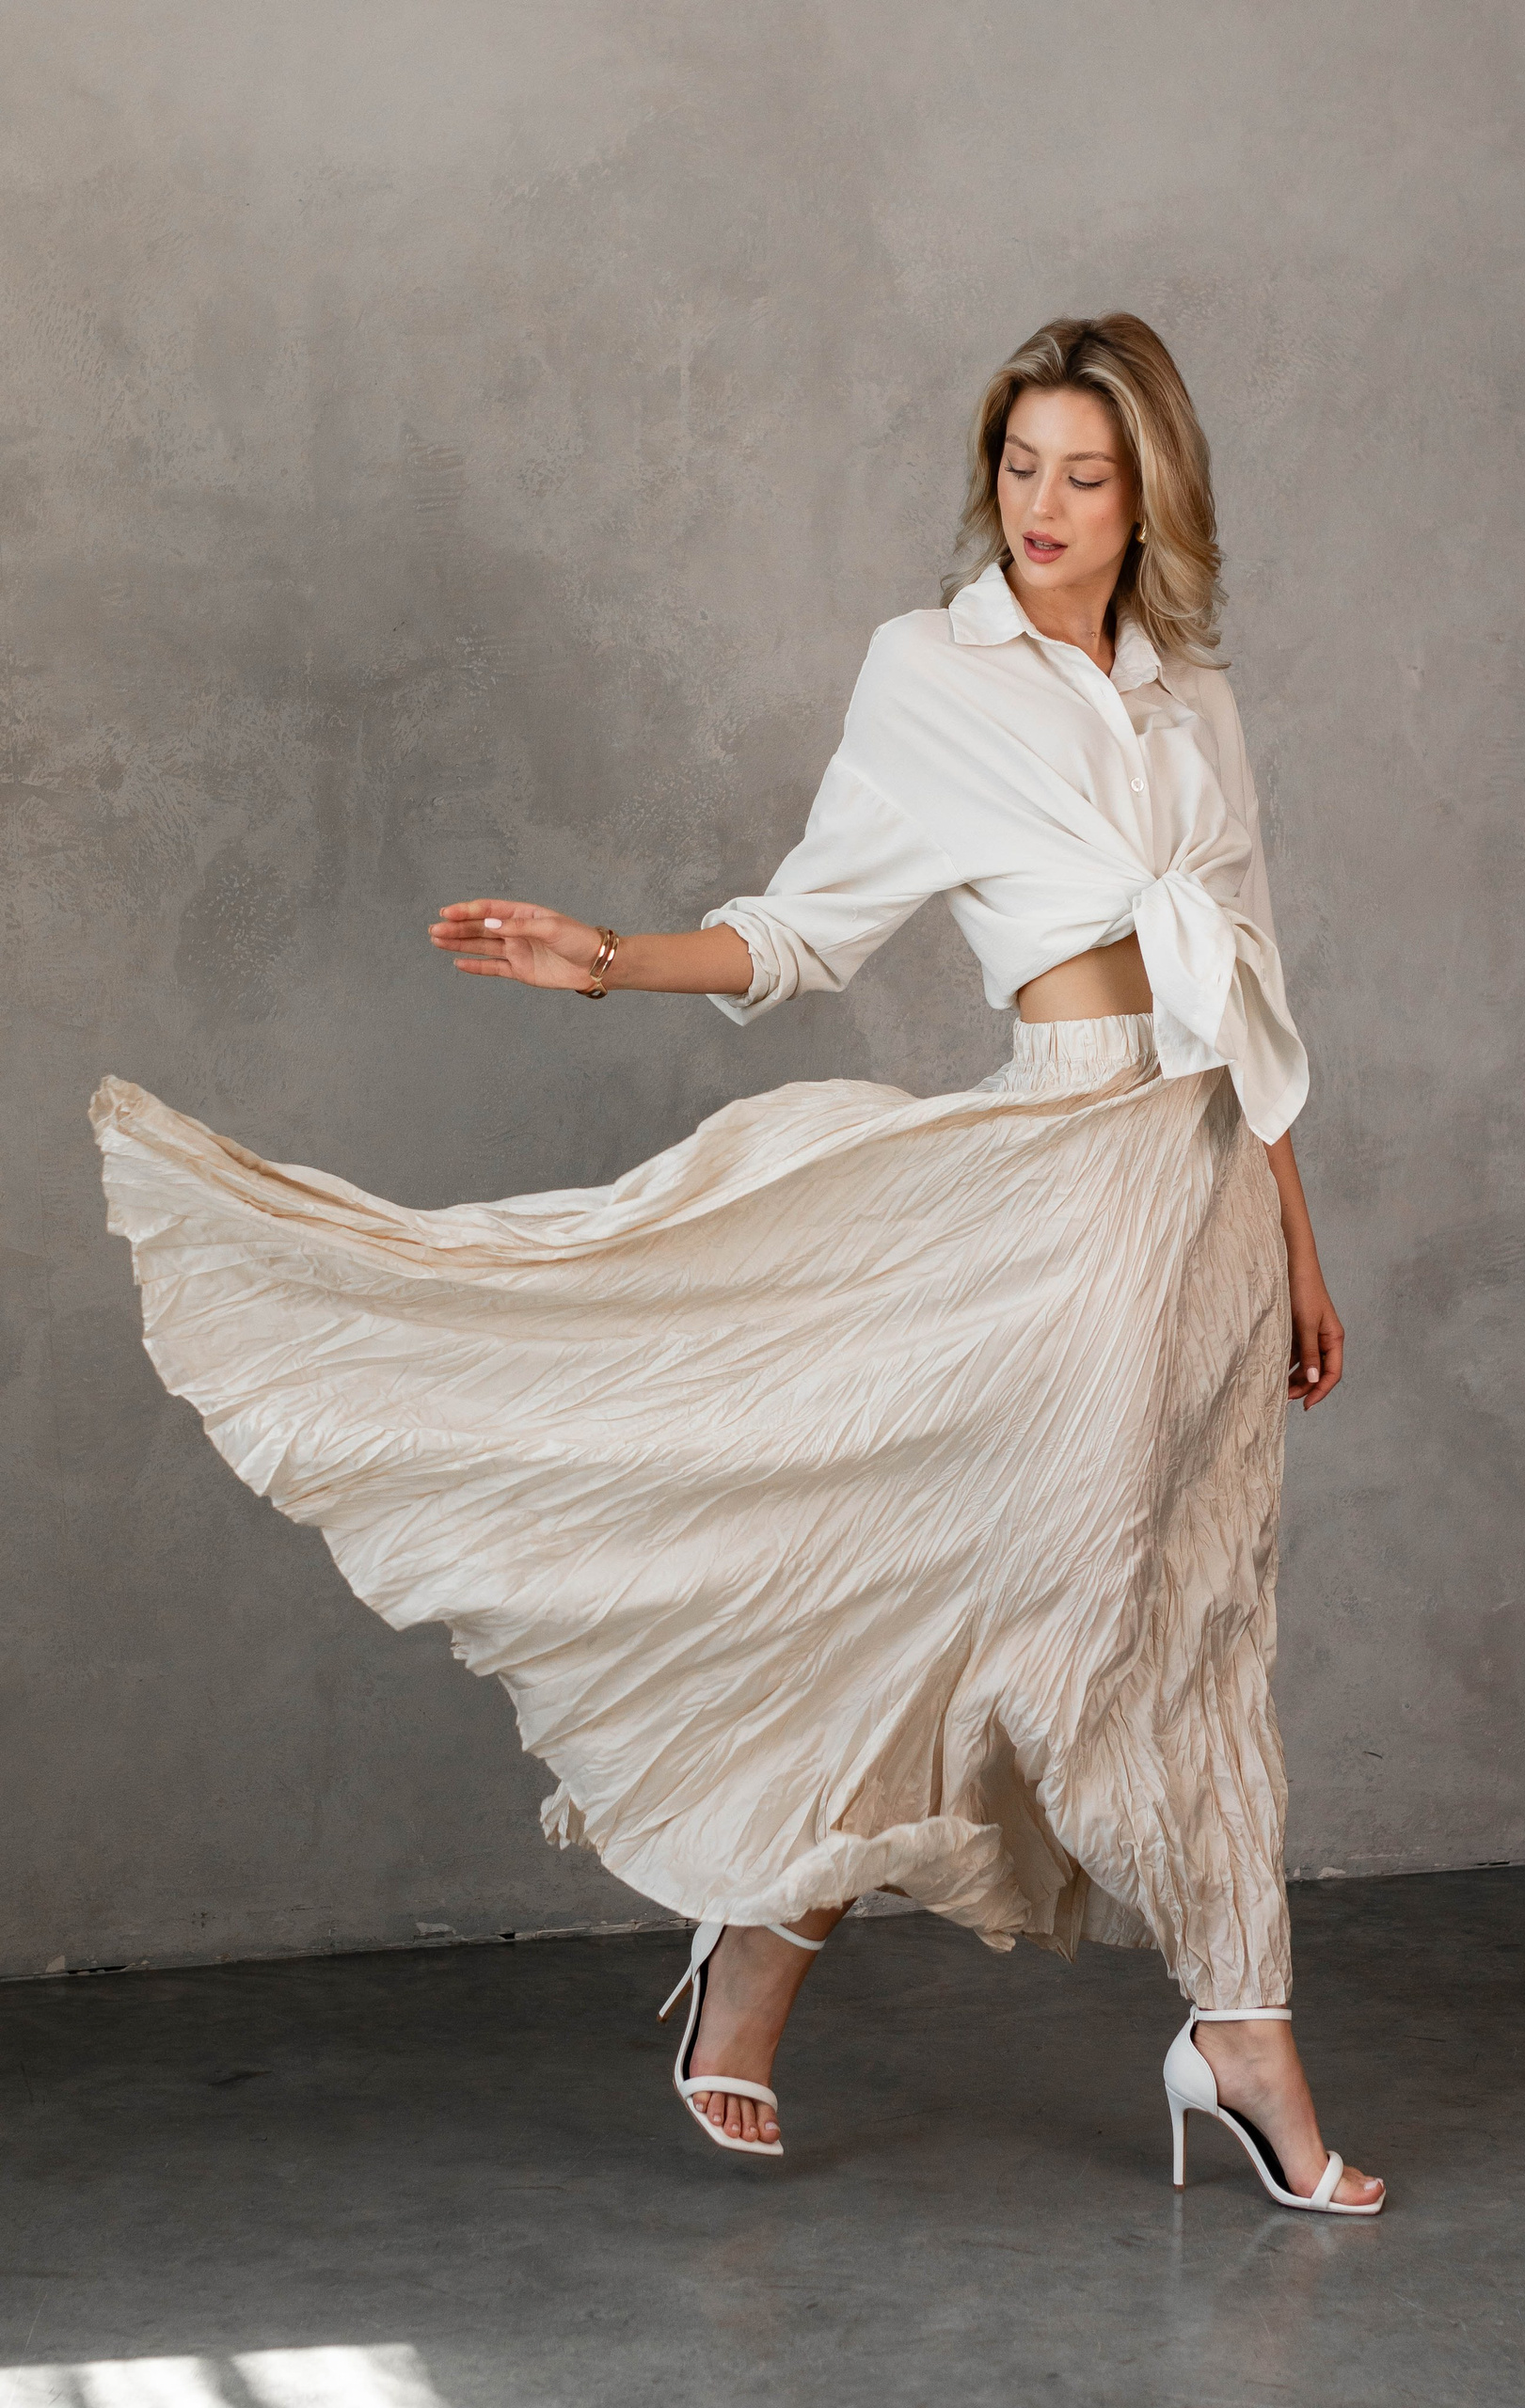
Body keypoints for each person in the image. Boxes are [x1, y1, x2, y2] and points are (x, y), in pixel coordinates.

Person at [93, 313, 1382, 2213]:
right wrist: (608, 957)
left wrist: (1299, 1240)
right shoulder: (933, 672)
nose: (1041, 504)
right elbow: (808, 927)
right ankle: (843, 1945)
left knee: (1195, 1616)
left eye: (1086, 475)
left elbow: (1250, 987)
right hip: (1061, 1190)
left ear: (1151, 497)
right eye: (1019, 464)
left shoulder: (1190, 693)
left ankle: (1205, 2019)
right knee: (1013, 1607)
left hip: (1208, 1199)